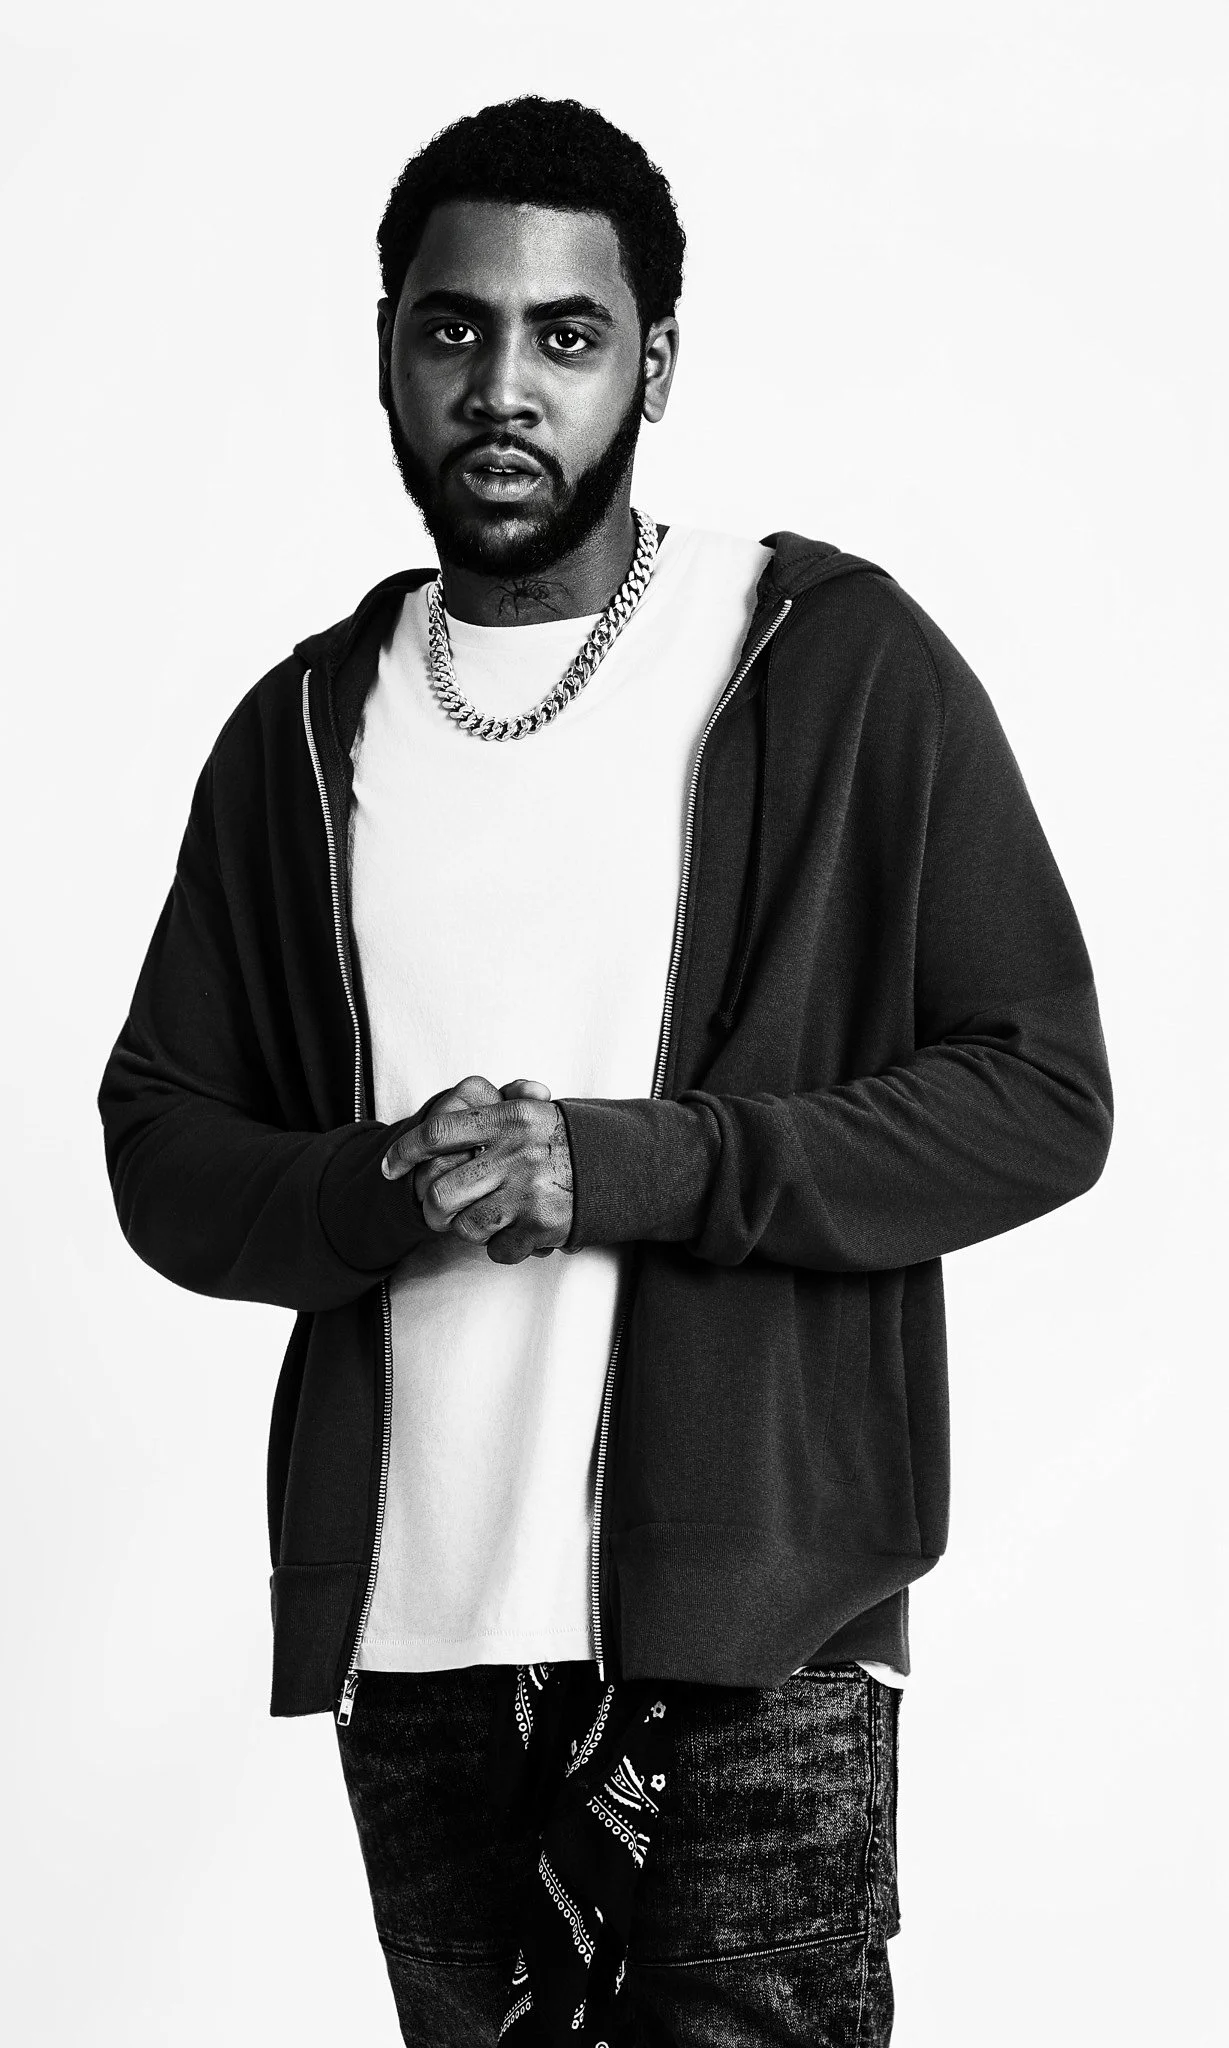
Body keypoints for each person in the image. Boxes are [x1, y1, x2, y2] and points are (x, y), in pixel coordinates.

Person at [98, 95, 1113, 2048]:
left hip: (757, 1645)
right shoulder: (306, 734)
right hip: (413, 1647)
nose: (503, 384)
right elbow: (165, 1143)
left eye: (565, 335)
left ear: (653, 360)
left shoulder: (825, 660)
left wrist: (619, 1166)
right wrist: (387, 1188)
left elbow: (1038, 1089)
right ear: (387, 346)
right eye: (453, 327)